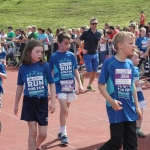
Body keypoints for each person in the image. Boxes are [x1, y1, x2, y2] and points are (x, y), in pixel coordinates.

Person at [98, 31, 142, 150]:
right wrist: (111, 101)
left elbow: (132, 85)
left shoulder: (130, 64)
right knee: (116, 143)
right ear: (120, 45)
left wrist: (137, 106)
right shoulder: (109, 63)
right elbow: (101, 85)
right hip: (116, 109)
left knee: (132, 145)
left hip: (130, 108)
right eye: (131, 43)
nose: (134, 45)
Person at [14, 40, 56, 150]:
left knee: (43, 134)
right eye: (37, 52)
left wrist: (53, 101)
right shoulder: (23, 68)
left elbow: (52, 83)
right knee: (32, 132)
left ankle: (37, 146)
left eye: (41, 52)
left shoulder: (44, 66)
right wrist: (16, 104)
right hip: (29, 102)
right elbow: (19, 86)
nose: (40, 54)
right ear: (28, 52)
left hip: (42, 101)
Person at [49, 32, 83, 145]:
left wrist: (80, 84)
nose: (68, 45)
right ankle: (64, 133)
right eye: (65, 43)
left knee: (66, 110)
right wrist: (50, 87)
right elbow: (50, 72)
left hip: (70, 86)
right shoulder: (54, 56)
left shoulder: (71, 56)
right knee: (64, 109)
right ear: (59, 43)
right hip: (59, 86)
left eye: (69, 43)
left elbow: (75, 70)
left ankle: (60, 130)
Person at [128, 51, 149, 138]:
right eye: (135, 58)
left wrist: (142, 82)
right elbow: (133, 83)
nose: (138, 59)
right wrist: (138, 82)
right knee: (136, 110)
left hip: (134, 93)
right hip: (133, 93)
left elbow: (136, 82)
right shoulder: (131, 69)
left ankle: (135, 129)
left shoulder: (133, 68)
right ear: (129, 60)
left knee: (138, 110)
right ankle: (134, 128)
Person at [79, 18, 101, 91]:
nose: (94, 25)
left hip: (95, 54)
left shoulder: (99, 33)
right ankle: (81, 75)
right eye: (93, 24)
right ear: (90, 24)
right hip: (87, 54)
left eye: (95, 24)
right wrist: (82, 49)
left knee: (95, 71)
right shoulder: (86, 33)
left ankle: (89, 85)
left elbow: (98, 40)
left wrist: (97, 48)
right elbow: (78, 40)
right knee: (89, 71)